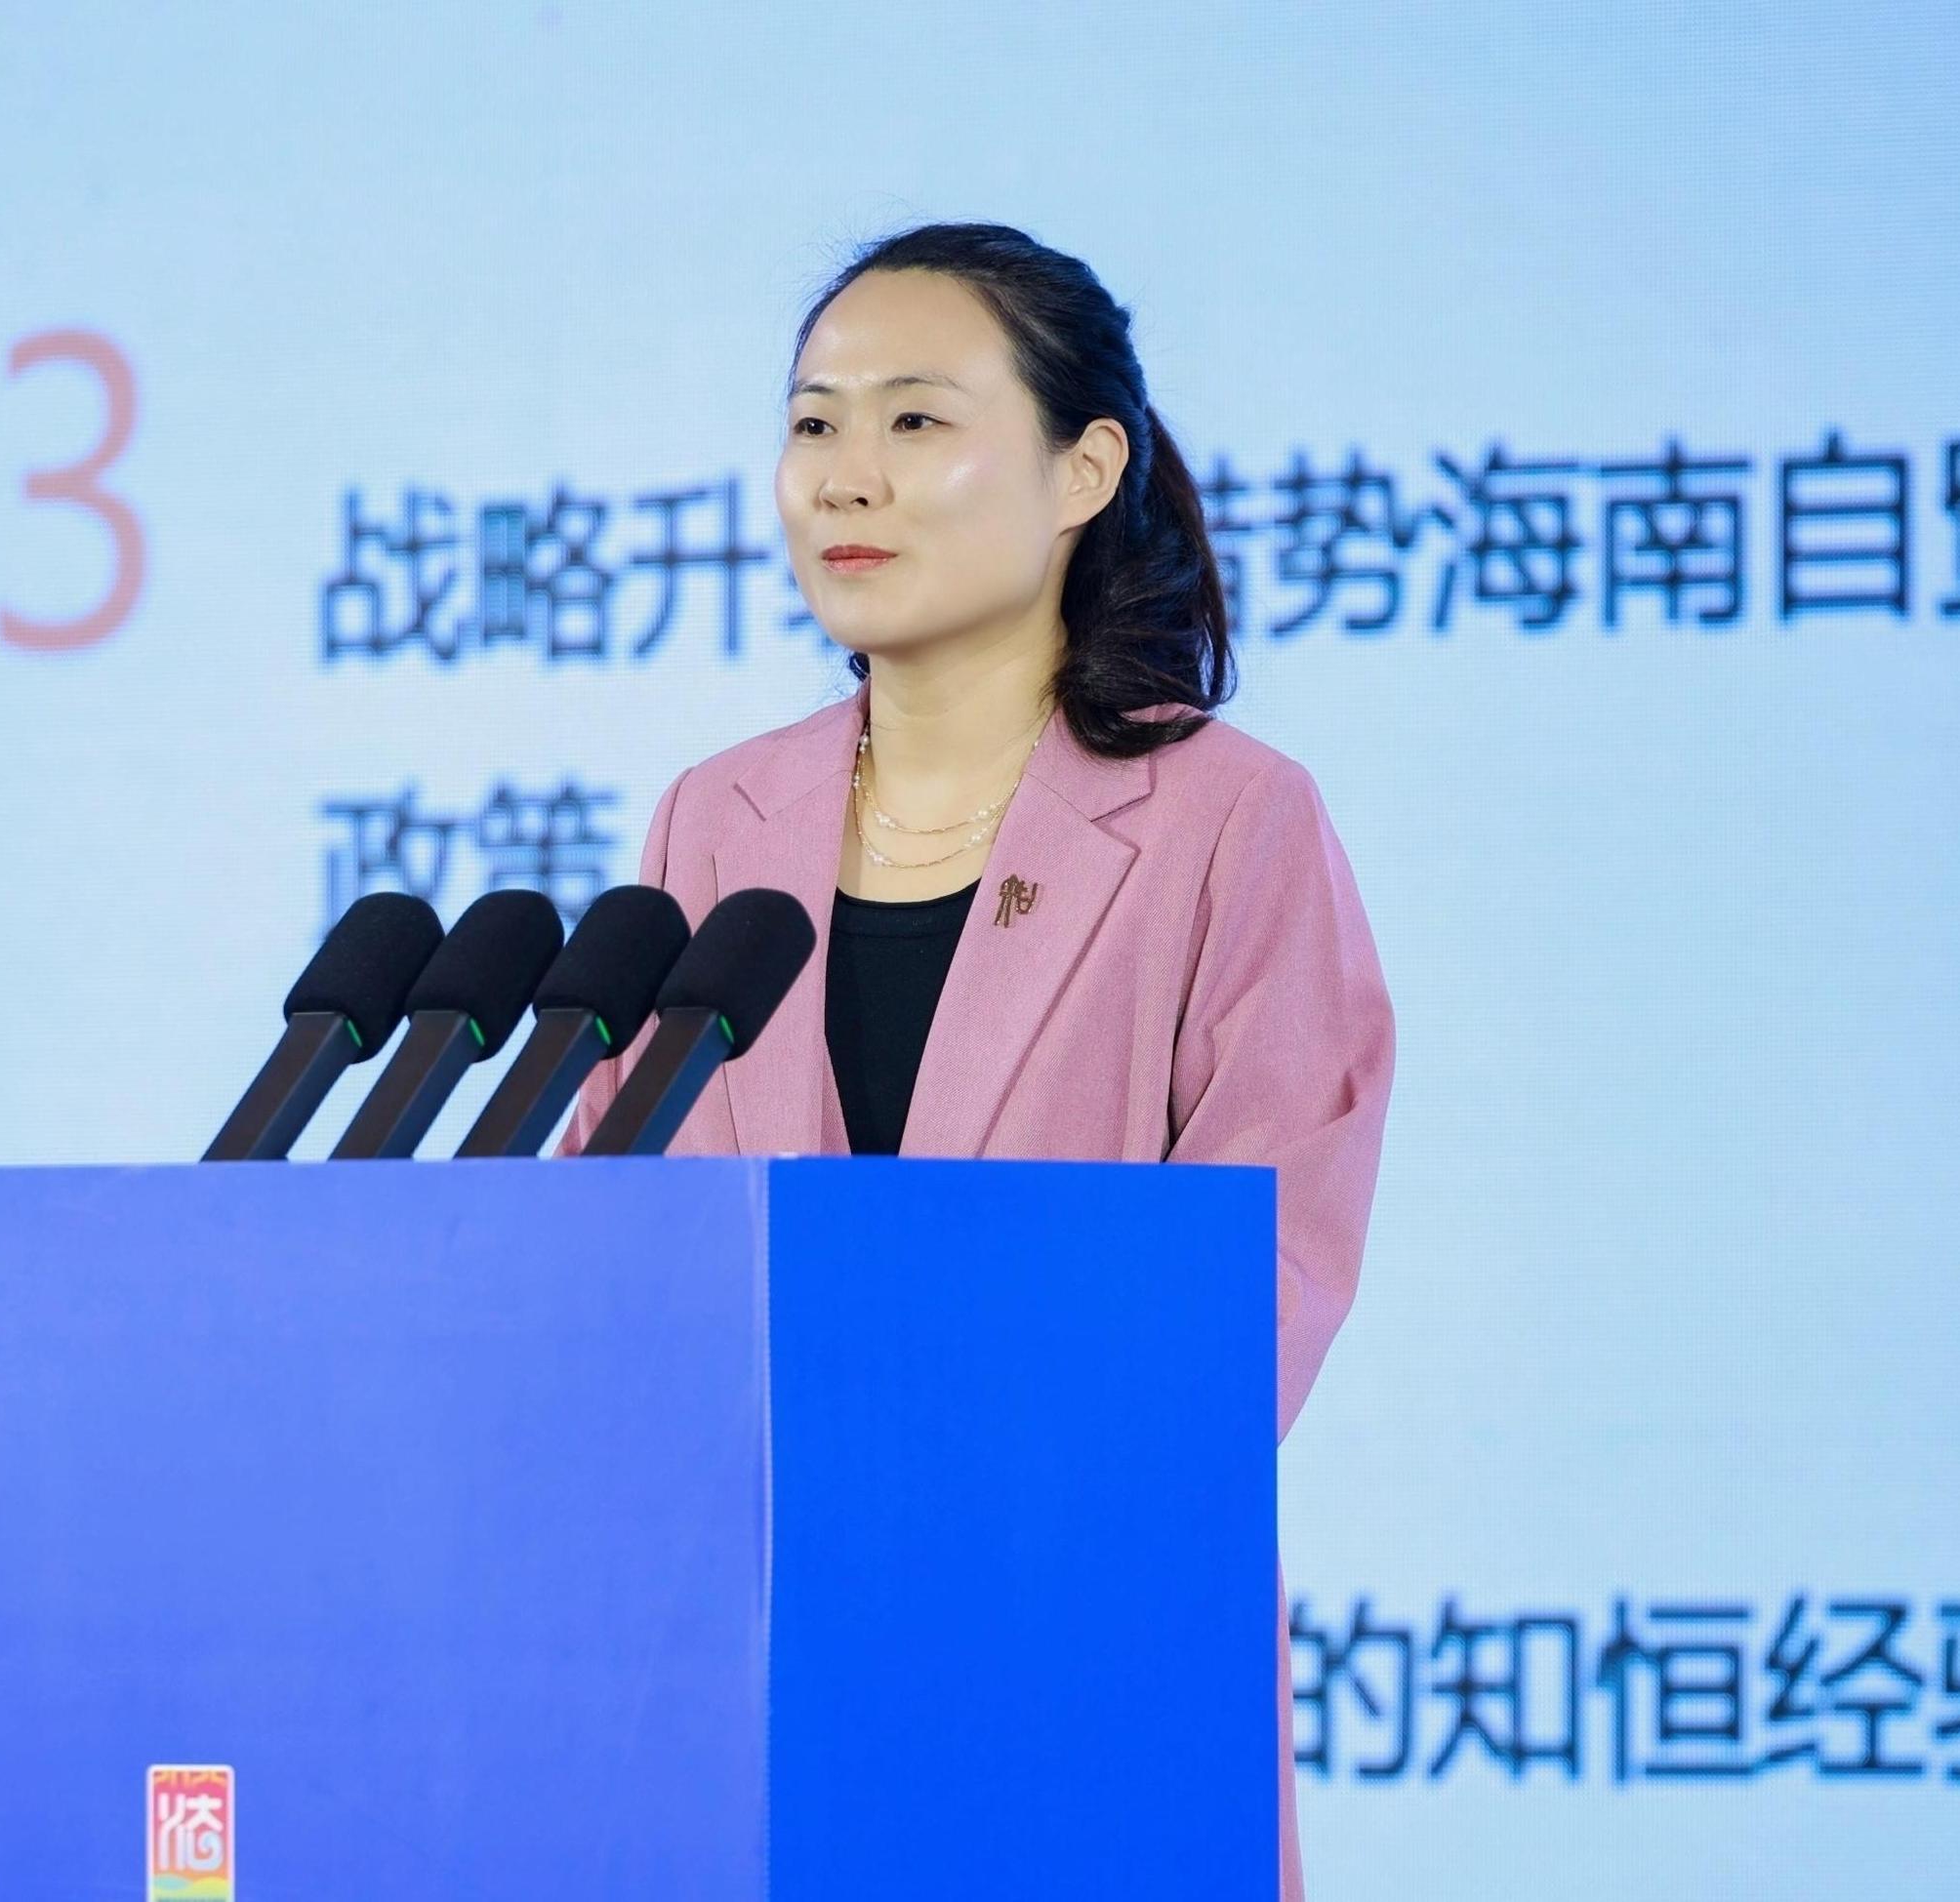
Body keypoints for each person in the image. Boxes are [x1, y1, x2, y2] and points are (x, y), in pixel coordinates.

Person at [556, 221, 1395, 1899]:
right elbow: (620, 1227)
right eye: (813, 423)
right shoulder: (717, 817)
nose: (845, 476)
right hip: (754, 1668)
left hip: (1071, 1644)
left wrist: (955, 1471)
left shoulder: (1227, 819)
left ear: (1085, 468)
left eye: (915, 421)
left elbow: (1260, 1278)